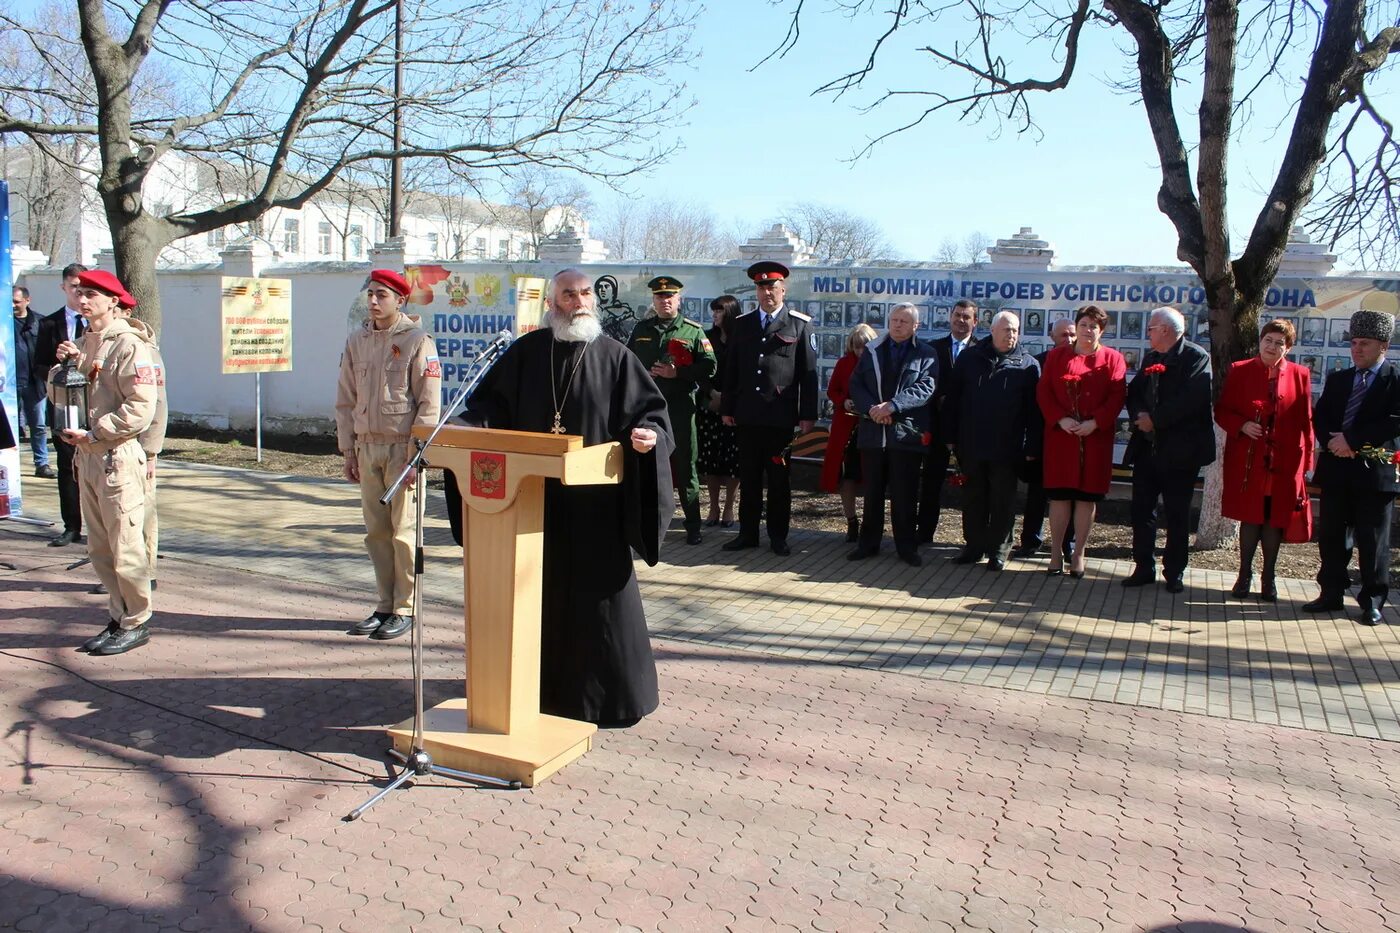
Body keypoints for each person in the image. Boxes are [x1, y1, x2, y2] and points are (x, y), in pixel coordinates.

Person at [458, 267, 673, 726]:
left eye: (584, 294)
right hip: (532, 504)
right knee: (539, 599)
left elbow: (652, 414)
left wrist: (649, 437)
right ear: (551, 304)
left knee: (601, 608)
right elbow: (490, 406)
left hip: (595, 507)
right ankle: (535, 692)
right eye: (568, 295)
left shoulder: (616, 357)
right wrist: (473, 425)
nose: (578, 302)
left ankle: (611, 699)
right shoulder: (525, 353)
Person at [49, 271, 158, 655]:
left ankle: (137, 620)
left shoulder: (129, 345)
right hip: (89, 458)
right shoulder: (84, 343)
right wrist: (61, 368)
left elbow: (142, 407)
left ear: (113, 300)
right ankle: (118, 615)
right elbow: (69, 396)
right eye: (79, 293)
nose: (83, 300)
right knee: (99, 549)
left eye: (92, 294)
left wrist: (98, 432)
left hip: (117, 456)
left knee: (127, 545)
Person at [335, 270, 442, 641]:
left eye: (382, 295)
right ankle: (384, 603)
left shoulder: (417, 341)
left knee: (404, 533)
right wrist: (348, 449)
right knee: (376, 533)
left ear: (401, 300)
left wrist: (417, 455)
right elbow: (346, 399)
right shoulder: (357, 342)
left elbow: (429, 403)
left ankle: (406, 607)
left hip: (402, 451)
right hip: (367, 448)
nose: (374, 301)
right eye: (371, 295)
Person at [1304, 309, 1400, 626]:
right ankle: (1331, 592)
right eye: (1354, 342)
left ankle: (1372, 600)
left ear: (1383, 346)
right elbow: (1322, 417)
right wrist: (1333, 442)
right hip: (1337, 471)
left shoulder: (1394, 380)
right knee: (1332, 536)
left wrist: (1353, 442)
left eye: (1365, 343)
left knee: (1372, 541)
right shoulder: (1339, 379)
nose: (1357, 349)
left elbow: (1393, 421)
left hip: (1374, 476)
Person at [721, 260, 818, 557]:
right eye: (762, 288)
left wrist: (807, 415)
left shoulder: (799, 323)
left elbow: (809, 374)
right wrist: (727, 406)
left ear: (783, 290)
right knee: (749, 478)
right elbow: (732, 369)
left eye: (772, 287)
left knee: (778, 480)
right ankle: (748, 534)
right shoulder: (742, 324)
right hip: (748, 415)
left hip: (779, 417)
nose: (767, 293)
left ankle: (778, 536)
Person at [1215, 320, 1312, 602]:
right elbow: (1222, 411)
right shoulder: (1240, 370)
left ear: (1288, 347)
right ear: (1260, 341)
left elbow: (1306, 420)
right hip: (1248, 458)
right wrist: (1243, 425)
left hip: (1284, 461)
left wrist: (1306, 464)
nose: (1272, 347)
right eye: (1268, 340)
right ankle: (1244, 574)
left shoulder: (1300, 374)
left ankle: (1269, 577)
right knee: (1251, 516)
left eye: (1279, 343)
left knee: (1274, 518)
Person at [1121, 307, 1215, 593]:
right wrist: (1139, 416)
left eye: (1151, 328)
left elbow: (1193, 399)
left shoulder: (1196, 358)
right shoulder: (1152, 358)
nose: (1147, 333)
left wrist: (1156, 420)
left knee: (1176, 514)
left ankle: (1174, 572)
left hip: (1180, 453)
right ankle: (1143, 566)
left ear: (1165, 330)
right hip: (1148, 451)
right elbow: (1135, 392)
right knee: (1142, 512)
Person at [945, 310, 1042, 571]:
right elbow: (953, 400)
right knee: (974, 497)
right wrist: (951, 437)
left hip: (1007, 448)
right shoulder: (970, 357)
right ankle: (974, 546)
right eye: (1006, 329)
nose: (1011, 335)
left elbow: (1035, 412)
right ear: (993, 331)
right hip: (971, 443)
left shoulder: (1028, 364)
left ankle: (999, 550)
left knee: (1003, 500)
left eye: (1014, 330)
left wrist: (1031, 446)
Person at [1036, 305, 1127, 579]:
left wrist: (1096, 422)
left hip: (1094, 439)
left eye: (1094, 326)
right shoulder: (1057, 356)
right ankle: (1054, 555)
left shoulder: (1113, 359)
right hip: (1062, 437)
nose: (1089, 330)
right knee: (1060, 496)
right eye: (1084, 324)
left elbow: (1116, 396)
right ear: (1077, 327)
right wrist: (1059, 419)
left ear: (1102, 330)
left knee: (1086, 498)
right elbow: (1044, 392)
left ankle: (1078, 555)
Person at [626, 275, 717, 545]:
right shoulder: (642, 329)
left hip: (679, 409)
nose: (664, 301)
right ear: (653, 300)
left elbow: (710, 367)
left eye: (669, 296)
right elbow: (627, 363)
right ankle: (650, 524)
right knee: (648, 467)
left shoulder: (693, 331)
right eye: (659, 297)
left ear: (679, 299)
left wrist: (677, 373)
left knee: (685, 466)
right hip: (647, 410)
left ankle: (693, 526)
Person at [846, 304, 937, 566]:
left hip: (905, 436)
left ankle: (906, 547)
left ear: (915, 326)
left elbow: (925, 387)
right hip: (874, 434)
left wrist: (893, 406)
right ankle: (868, 544)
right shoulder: (873, 350)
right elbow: (857, 384)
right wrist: (873, 409)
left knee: (904, 495)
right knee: (872, 492)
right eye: (894, 320)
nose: (897, 325)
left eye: (904, 321)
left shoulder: (926, 353)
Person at [34, 263, 89, 545]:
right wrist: (62, 371)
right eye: (74, 288)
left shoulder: (100, 323)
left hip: (95, 404)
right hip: (64, 405)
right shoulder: (49, 323)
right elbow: (40, 365)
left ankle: (99, 529)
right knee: (68, 467)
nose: (80, 296)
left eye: (85, 289)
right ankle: (72, 526)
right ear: (64, 288)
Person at [916, 298, 977, 543]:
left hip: (967, 431)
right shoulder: (933, 348)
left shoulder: (981, 350)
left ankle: (972, 539)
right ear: (950, 317)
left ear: (975, 321)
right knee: (931, 484)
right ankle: (924, 534)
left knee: (972, 487)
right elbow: (924, 382)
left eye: (966, 317)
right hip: (937, 428)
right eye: (957, 315)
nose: (961, 321)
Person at [1015, 317, 1074, 558]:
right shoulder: (1038, 364)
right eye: (1063, 335)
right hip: (1043, 440)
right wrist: (1032, 444)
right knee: (1036, 495)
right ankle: (1030, 541)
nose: (1068, 340)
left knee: (1069, 495)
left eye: (1072, 335)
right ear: (1051, 336)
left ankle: (1066, 546)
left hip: (1070, 440)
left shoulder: (1081, 363)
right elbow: (1031, 408)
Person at [819, 322, 877, 542]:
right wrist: (844, 402)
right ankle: (851, 521)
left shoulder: (878, 364)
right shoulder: (844, 363)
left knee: (871, 476)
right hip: (846, 428)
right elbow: (833, 390)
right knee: (846, 477)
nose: (860, 350)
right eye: (857, 346)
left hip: (871, 427)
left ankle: (871, 524)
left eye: (864, 346)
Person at [697, 296, 740, 528]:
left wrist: (728, 398)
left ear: (730, 312)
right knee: (710, 458)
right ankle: (713, 506)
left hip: (733, 406)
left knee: (733, 459)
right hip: (710, 403)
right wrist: (712, 394)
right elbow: (700, 368)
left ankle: (729, 507)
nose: (714, 315)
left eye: (719, 311)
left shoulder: (741, 338)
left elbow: (746, 372)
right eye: (713, 311)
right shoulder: (706, 337)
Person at [14, 286, 54, 477]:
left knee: (38, 425)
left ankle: (42, 463)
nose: (13, 305)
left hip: (34, 382)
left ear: (27, 301)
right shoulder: (3, 322)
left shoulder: (40, 322)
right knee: (9, 427)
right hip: (8, 384)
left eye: (16, 301)